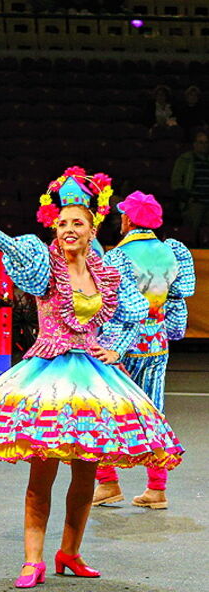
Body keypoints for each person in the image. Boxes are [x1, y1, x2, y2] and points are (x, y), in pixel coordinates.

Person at [0, 168, 183, 588]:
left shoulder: (107, 272)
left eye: (77, 224)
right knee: (42, 473)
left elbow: (136, 312)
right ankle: (31, 560)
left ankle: (69, 552)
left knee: (86, 474)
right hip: (49, 374)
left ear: (92, 231)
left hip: (93, 375)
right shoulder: (45, 266)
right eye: (62, 223)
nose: (69, 229)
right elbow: (14, 250)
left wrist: (118, 348)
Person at [92, 191, 195, 510]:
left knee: (104, 410)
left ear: (127, 219)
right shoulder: (172, 251)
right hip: (157, 342)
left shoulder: (117, 257)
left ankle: (107, 482)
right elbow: (177, 297)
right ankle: (156, 488)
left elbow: (113, 306)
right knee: (153, 413)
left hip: (121, 343)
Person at [170, 130, 209, 230]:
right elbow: (176, 181)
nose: (204, 145)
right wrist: (187, 198)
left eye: (206, 143)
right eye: (201, 142)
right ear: (194, 144)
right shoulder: (185, 159)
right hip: (195, 203)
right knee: (192, 231)